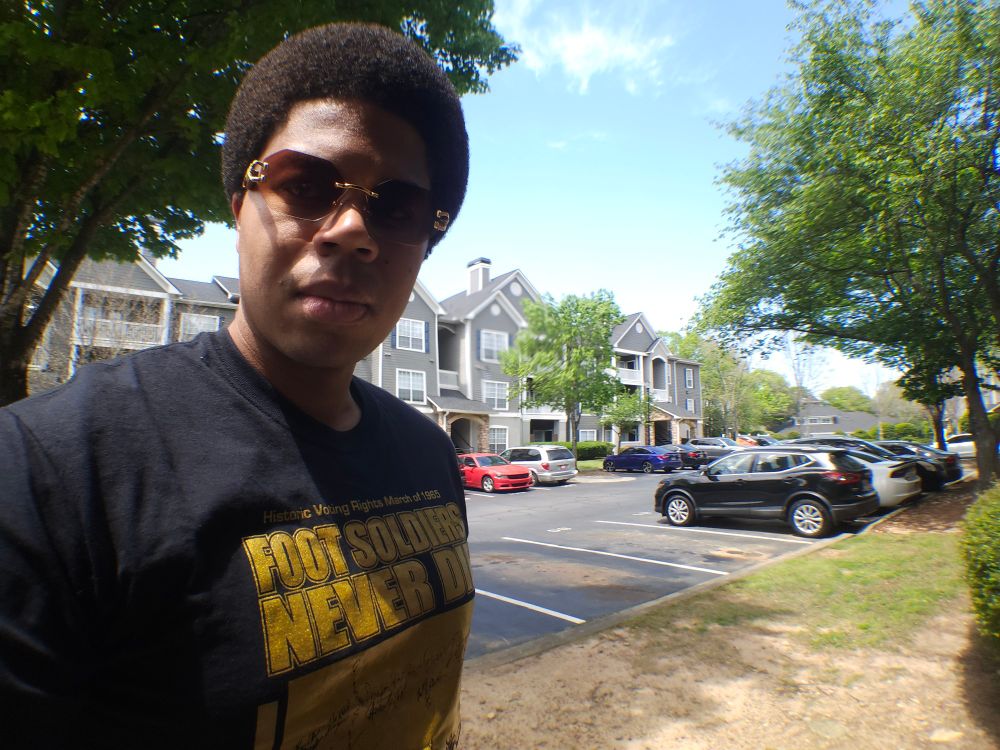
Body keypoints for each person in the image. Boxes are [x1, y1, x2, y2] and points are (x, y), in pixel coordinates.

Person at [0, 23, 474, 749]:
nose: (352, 229)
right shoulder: (52, 472)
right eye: (305, 185)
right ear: (239, 202)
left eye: (397, 207)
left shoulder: (430, 454)